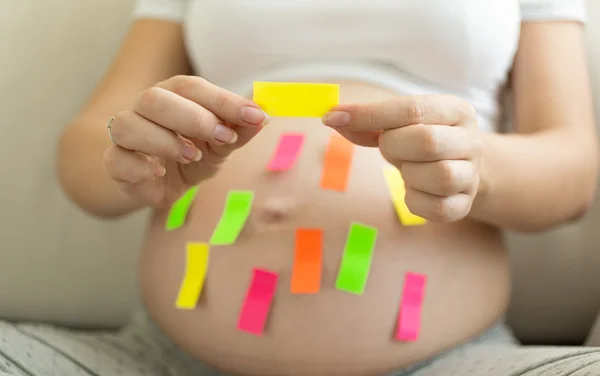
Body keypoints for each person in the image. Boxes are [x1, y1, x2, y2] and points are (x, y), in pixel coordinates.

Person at [6, 0, 586, 375]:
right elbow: (89, 147)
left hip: (458, 363)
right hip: (156, 361)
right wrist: (129, 149)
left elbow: (576, 169)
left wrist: (478, 169)